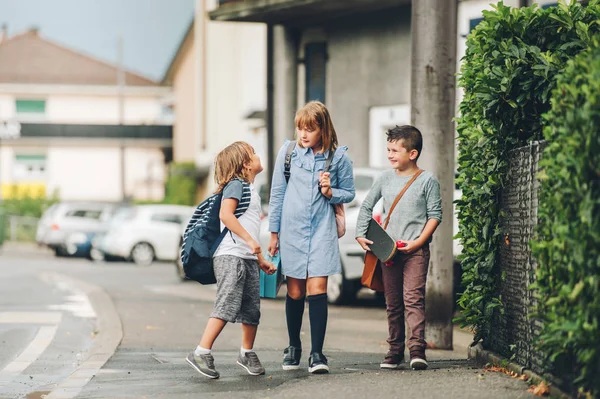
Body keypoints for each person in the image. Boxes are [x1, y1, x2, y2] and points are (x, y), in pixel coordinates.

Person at [268, 101, 356, 374]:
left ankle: (317, 354)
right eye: (300, 128)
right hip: (291, 230)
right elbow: (277, 195)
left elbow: (349, 193)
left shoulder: (338, 158)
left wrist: (331, 193)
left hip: (321, 231)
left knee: (317, 289)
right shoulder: (288, 153)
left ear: (323, 129)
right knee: (295, 291)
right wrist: (274, 234)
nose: (303, 134)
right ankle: (294, 347)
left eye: (310, 129)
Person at [186, 141, 277, 379]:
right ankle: (201, 351)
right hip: (229, 256)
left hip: (246, 257)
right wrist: (249, 241)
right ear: (245, 164)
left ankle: (246, 352)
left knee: (251, 308)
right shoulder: (236, 185)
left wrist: (259, 258)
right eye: (253, 154)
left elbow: (247, 227)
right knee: (227, 303)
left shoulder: (249, 188)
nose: (258, 156)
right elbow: (226, 215)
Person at [355, 125, 442, 370]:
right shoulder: (384, 178)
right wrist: (361, 234)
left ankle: (417, 350)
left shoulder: (427, 180)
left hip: (415, 251)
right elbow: (366, 207)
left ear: (412, 154)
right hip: (389, 252)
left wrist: (419, 242)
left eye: (395, 150)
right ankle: (395, 351)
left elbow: (435, 215)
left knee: (413, 299)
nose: (390, 154)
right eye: (388, 150)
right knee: (393, 302)